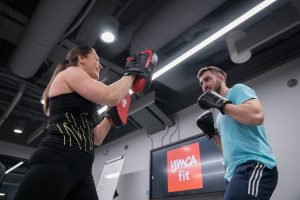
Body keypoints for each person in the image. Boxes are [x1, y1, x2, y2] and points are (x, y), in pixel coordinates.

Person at [14, 46, 157, 200]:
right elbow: (111, 95)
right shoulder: (70, 73)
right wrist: (134, 71)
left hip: (83, 168)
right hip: (56, 159)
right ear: (81, 58)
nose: (100, 65)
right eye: (96, 59)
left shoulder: (87, 100)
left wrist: (110, 116)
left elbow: (97, 137)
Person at [196, 66, 278, 200]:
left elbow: (257, 116)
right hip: (233, 173)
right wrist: (212, 133)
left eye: (207, 79)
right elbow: (226, 150)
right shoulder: (220, 117)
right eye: (201, 83)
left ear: (221, 78)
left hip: (254, 164)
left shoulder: (237, 90)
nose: (204, 85)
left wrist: (221, 104)